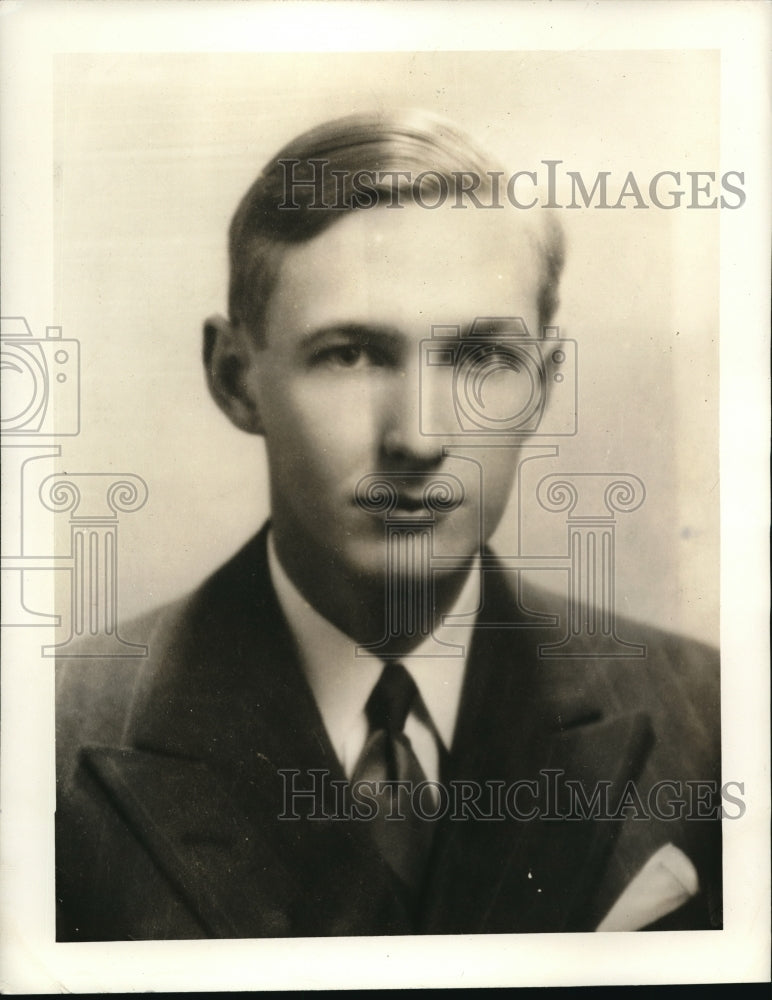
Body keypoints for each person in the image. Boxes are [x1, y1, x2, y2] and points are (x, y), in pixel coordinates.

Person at [55, 110, 722, 940]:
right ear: (235, 378)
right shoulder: (47, 742)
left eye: (482, 359)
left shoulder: (715, 720)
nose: (418, 437)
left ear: (545, 384)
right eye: (351, 354)